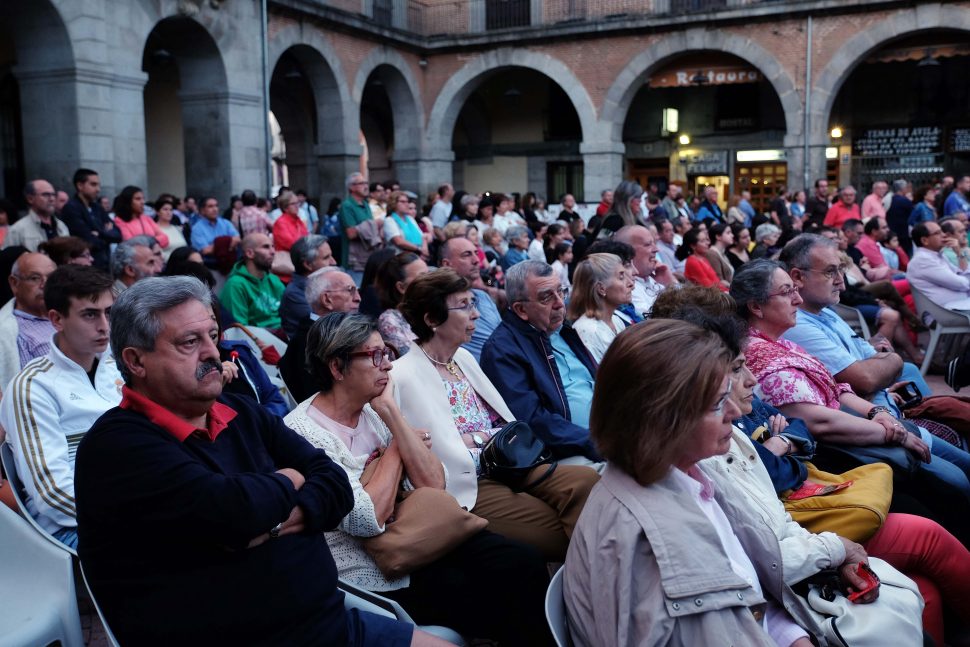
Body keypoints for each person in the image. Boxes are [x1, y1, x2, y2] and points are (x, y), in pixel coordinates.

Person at [73, 276, 442, 647]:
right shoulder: (116, 447)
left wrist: (271, 523)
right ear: (136, 361)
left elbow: (334, 485)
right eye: (189, 342)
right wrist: (293, 480)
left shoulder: (241, 411)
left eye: (212, 336)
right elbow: (234, 511)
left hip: (328, 624)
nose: (212, 353)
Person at [283, 312, 553, 645]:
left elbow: (432, 485)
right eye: (375, 356)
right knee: (492, 594)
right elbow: (367, 519)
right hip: (377, 570)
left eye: (387, 353)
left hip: (421, 536)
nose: (388, 365)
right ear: (337, 368)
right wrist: (398, 448)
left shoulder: (373, 409)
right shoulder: (303, 432)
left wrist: (393, 416)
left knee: (523, 561)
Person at [563, 318, 819, 647]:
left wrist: (794, 636)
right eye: (715, 404)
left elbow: (747, 605)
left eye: (728, 395)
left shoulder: (692, 475)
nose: (734, 413)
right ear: (660, 420)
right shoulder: (649, 541)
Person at [732, 259, 970, 545]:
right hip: (845, 453)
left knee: (958, 466)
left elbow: (838, 389)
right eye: (786, 292)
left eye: (795, 290)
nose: (797, 298)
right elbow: (817, 419)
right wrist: (892, 431)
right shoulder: (758, 353)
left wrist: (878, 411)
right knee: (956, 482)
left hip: (865, 427)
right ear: (756, 307)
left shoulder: (780, 341)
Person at [393, 269, 599, 560]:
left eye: (473, 303)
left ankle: (592, 578)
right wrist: (478, 438)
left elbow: (504, 422)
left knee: (585, 482)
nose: (476, 314)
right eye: (464, 306)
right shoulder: (403, 376)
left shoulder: (462, 358)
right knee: (560, 531)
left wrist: (475, 437)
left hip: (509, 463)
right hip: (470, 483)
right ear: (431, 320)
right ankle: (586, 588)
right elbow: (428, 448)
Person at [0, 265, 120, 549]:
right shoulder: (32, 387)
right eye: (90, 314)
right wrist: (136, 515)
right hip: (74, 529)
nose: (104, 326)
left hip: (132, 505)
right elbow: (52, 496)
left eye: (108, 313)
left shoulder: (119, 368)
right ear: (56, 319)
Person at [480, 261, 600, 463]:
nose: (560, 303)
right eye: (546, 297)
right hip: (565, 451)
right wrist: (595, 442)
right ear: (521, 309)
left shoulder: (565, 330)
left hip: (609, 431)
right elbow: (533, 421)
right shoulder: (502, 350)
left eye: (560, 291)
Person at [280, 268, 361, 403]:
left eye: (357, 290)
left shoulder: (321, 332)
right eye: (350, 290)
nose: (358, 298)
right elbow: (320, 398)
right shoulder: (311, 341)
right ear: (326, 299)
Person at [438, 236, 502, 361]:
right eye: (466, 255)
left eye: (476, 253)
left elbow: (504, 335)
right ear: (446, 264)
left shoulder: (483, 296)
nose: (477, 260)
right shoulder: (442, 303)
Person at [0, 252, 58, 387]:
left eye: (51, 278)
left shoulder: (68, 313)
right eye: (35, 278)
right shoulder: (11, 332)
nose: (45, 285)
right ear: (14, 283)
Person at [567, 253, 634, 362]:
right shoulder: (588, 331)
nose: (631, 283)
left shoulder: (616, 321)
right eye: (621, 277)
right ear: (601, 288)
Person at [220, 233, 285, 330]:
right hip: (257, 339)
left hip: (284, 333)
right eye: (266, 247)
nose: (273, 252)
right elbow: (240, 328)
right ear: (249, 253)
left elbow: (291, 313)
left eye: (273, 246)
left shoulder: (273, 279)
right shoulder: (235, 285)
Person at [59, 168, 121, 270]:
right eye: (93, 184)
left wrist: (100, 233)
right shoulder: (71, 208)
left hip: (105, 265)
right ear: (80, 185)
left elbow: (118, 235)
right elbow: (89, 241)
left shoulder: (97, 207)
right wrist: (106, 234)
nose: (98, 189)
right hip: (86, 267)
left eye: (98, 185)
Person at [280, 235, 337, 340]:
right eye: (326, 257)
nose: (333, 262)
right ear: (308, 264)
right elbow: (326, 327)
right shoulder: (294, 295)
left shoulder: (328, 284)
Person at [613, 225, 675, 318]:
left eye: (654, 243)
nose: (656, 249)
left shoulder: (655, 276)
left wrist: (671, 283)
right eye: (648, 244)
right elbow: (657, 320)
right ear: (628, 251)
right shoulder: (627, 288)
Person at [907, 220, 970, 310]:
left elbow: (961, 276)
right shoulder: (923, 261)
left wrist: (959, 253)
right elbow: (962, 284)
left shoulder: (938, 255)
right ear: (925, 241)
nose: (944, 235)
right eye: (938, 233)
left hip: (960, 306)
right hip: (947, 312)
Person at [376, 252, 429, 358]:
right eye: (423, 277)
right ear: (402, 287)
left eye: (430, 275)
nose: (432, 281)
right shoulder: (389, 320)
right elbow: (413, 359)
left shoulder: (432, 312)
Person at [3, 179, 69, 251]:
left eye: (53, 195)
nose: (52, 199)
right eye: (46, 195)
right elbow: (7, 260)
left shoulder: (61, 226)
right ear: (30, 199)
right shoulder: (17, 230)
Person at [339, 173, 380, 282]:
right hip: (355, 260)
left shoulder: (365, 203)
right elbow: (351, 233)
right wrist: (374, 224)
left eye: (366, 183)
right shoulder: (347, 205)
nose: (366, 186)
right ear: (351, 187)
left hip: (368, 257)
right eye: (361, 183)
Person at [190, 197, 241, 268]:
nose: (215, 209)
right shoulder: (197, 228)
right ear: (202, 210)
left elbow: (237, 239)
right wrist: (228, 244)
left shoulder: (225, 223)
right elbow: (206, 251)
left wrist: (219, 245)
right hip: (210, 266)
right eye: (210, 206)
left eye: (216, 206)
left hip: (230, 264)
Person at [383, 190, 429, 257]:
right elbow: (399, 242)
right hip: (400, 257)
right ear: (394, 203)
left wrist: (425, 249)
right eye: (403, 202)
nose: (407, 204)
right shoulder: (390, 220)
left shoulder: (410, 219)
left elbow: (422, 236)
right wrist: (419, 249)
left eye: (407, 201)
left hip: (418, 255)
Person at [885, 179, 915, 254]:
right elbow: (913, 215)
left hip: (892, 232)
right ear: (903, 189)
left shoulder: (889, 199)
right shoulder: (905, 201)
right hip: (904, 234)